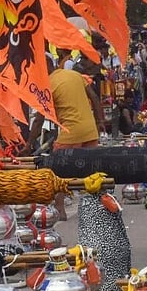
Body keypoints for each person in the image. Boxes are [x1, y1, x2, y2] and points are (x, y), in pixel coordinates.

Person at [25, 56, 104, 219]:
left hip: (71, 132)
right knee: (92, 169)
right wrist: (100, 121)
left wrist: (29, 144)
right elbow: (95, 98)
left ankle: (60, 208)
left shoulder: (48, 85)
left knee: (58, 169)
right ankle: (100, 207)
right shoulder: (74, 75)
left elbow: (39, 119)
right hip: (90, 129)